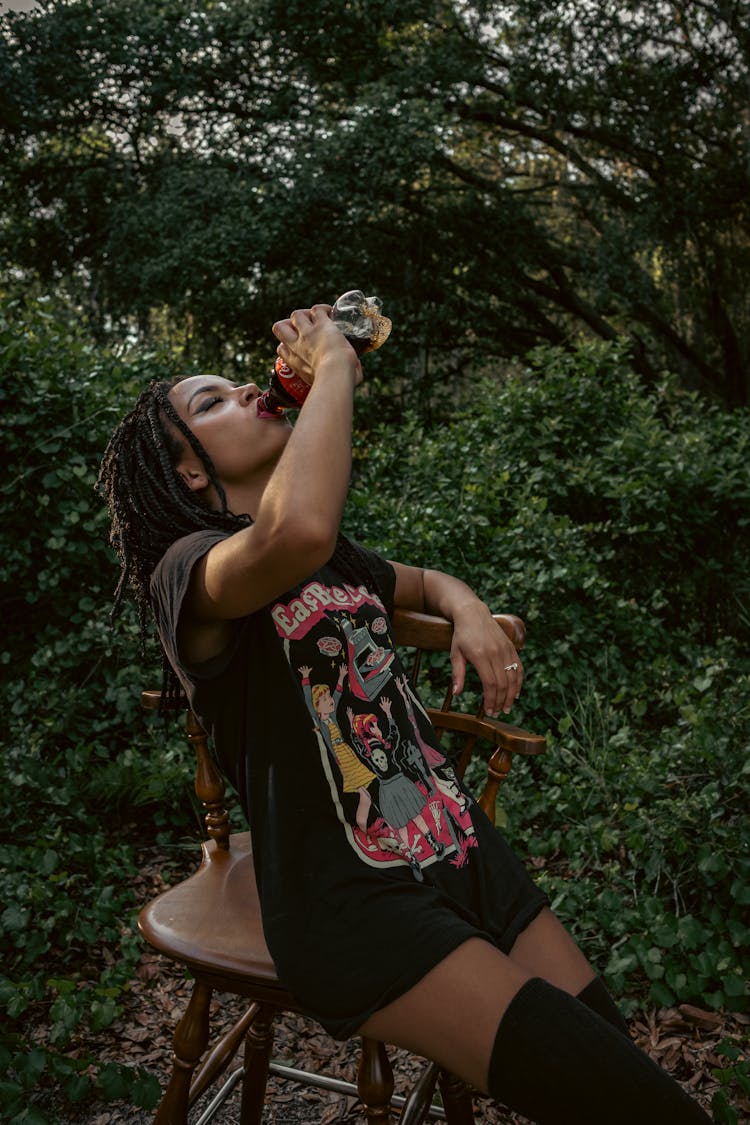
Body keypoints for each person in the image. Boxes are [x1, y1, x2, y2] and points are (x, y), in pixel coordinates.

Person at [97, 303, 712, 1124]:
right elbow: (298, 530)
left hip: (456, 845)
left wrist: (469, 608)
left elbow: (419, 580)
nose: (248, 388)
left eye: (236, 384)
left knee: (608, 1055)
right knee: (627, 1102)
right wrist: (337, 365)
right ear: (190, 474)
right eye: (212, 403)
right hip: (355, 902)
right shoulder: (192, 573)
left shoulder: (326, 552)